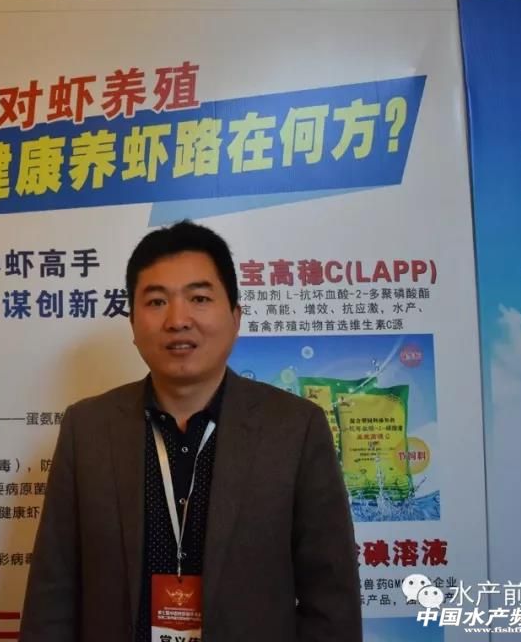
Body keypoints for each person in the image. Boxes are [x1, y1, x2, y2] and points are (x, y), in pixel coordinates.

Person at [20, 220, 361, 641]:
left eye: (199, 298)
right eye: (156, 301)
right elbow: (52, 594)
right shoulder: (86, 428)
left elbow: (331, 599)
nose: (178, 320)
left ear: (235, 316)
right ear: (132, 323)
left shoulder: (295, 428)